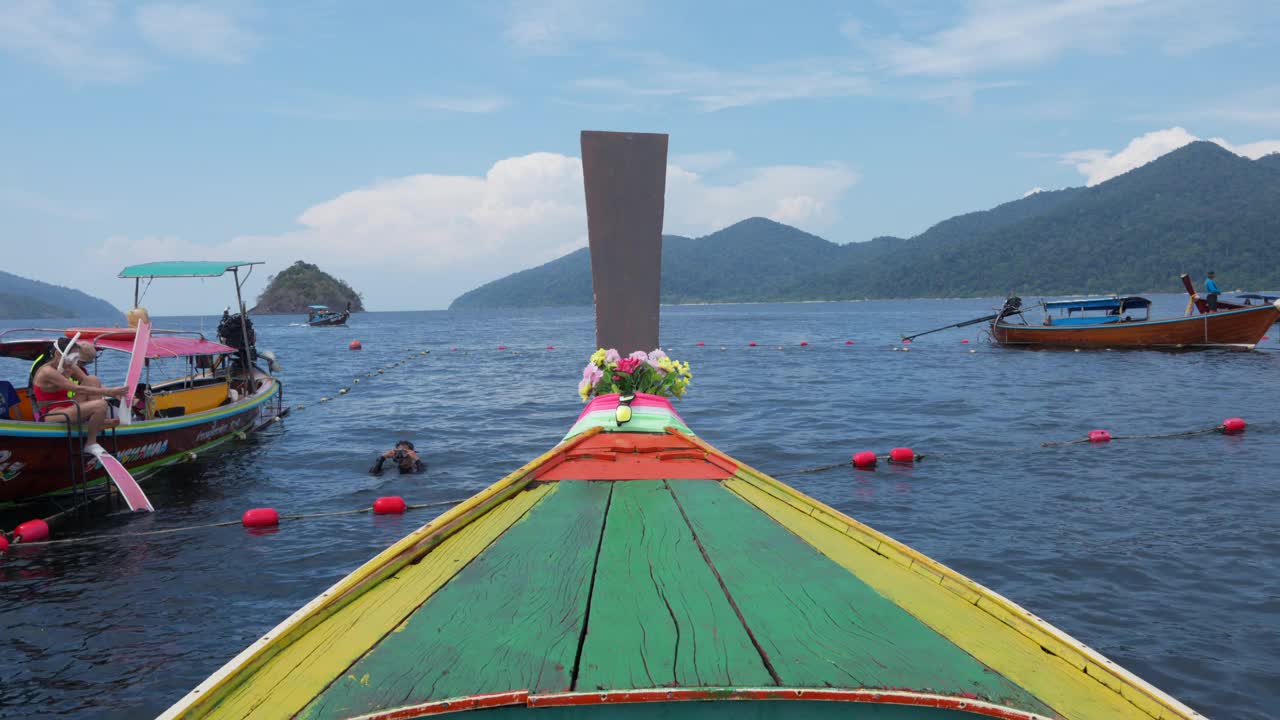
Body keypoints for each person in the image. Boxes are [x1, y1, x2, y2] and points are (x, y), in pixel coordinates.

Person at [29, 337, 127, 455]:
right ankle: (91, 442)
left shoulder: (68, 365)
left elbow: (88, 382)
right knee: (101, 405)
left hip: (69, 406)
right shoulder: (47, 371)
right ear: (58, 355)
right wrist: (109, 392)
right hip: (54, 413)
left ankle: (94, 422)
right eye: (72, 358)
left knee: (92, 379)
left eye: (76, 358)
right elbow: (76, 388)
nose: (74, 363)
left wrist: (116, 393)